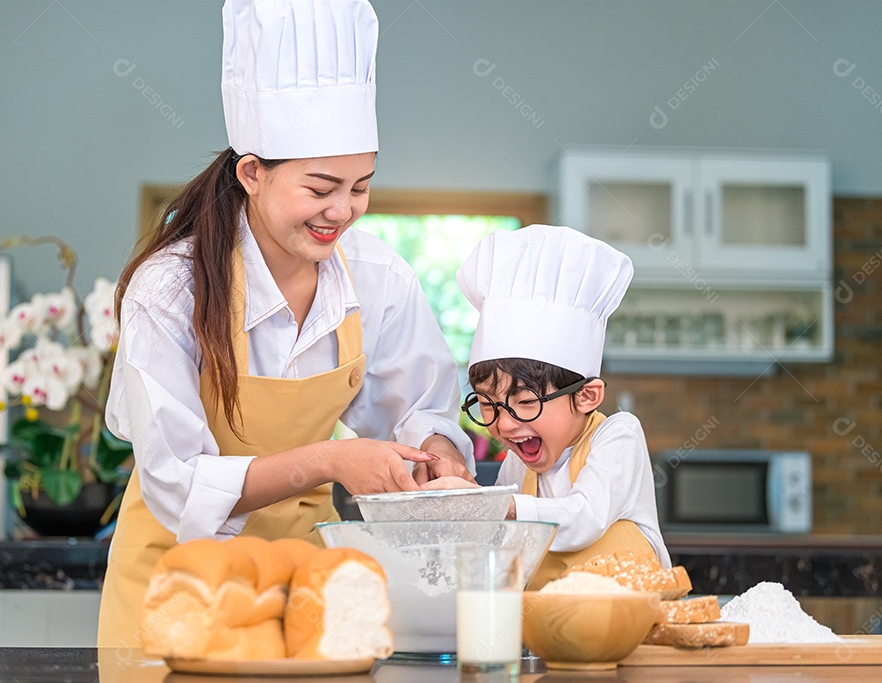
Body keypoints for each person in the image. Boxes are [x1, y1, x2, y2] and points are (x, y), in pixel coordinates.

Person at [97, 0, 473, 650]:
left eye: (361, 186)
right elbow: (176, 481)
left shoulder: (378, 277)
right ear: (252, 173)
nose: (343, 211)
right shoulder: (170, 288)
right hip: (175, 585)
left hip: (304, 588)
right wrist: (331, 458)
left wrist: (439, 459)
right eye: (320, 188)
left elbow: (419, 409)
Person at [456, 224, 670, 590]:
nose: (504, 425)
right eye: (488, 405)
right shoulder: (517, 463)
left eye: (525, 402)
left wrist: (496, 505)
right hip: (544, 617)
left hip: (630, 617)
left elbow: (584, 518)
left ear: (587, 397)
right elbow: (503, 545)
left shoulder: (617, 435)